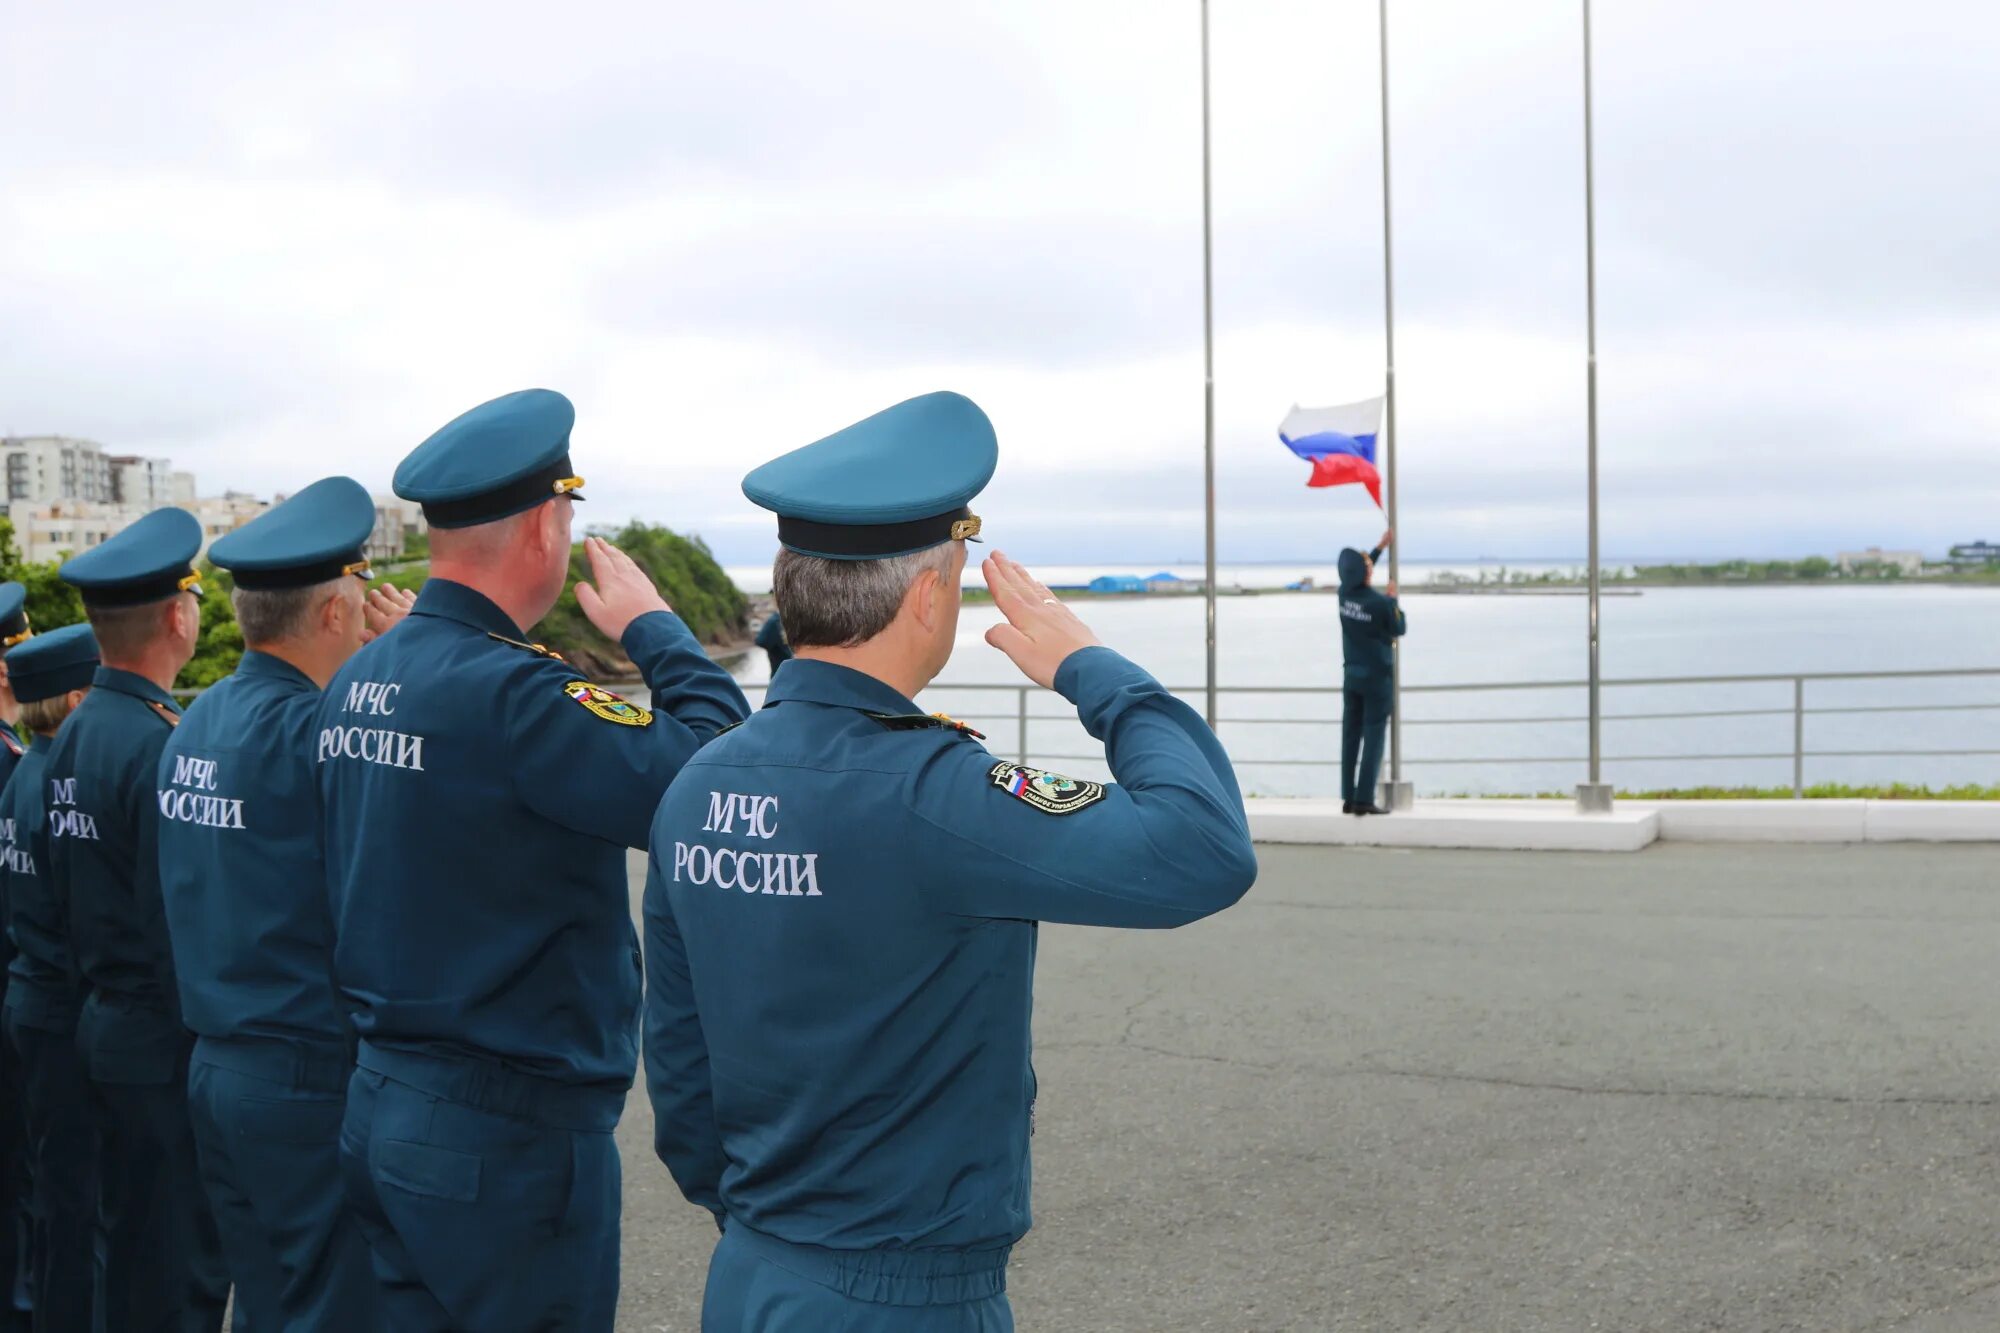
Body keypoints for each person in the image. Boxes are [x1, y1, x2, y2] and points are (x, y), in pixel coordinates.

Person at [642, 390, 1259, 1332]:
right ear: (929, 594)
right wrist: (1094, 670)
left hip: (755, 1274)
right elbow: (1203, 846)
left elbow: (681, 1075)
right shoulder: (932, 790)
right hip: (901, 1297)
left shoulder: (697, 782)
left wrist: (771, 1227)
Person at [317, 388, 750, 1332]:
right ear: (548, 525)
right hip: (502, 1135)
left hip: (383, 1098)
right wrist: (657, 630)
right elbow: (715, 780)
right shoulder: (518, 695)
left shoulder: (358, 677)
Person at [157, 477, 414, 1331]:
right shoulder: (314, 733)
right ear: (337, 613)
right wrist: (411, 656)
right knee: (334, 1304)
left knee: (265, 1300)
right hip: (303, 1072)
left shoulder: (194, 722)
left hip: (217, 1061)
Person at [43, 507, 230, 1330]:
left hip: (101, 1021)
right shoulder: (159, 744)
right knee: (178, 1270)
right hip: (159, 1043)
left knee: (128, 1252)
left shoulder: (80, 728)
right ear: (179, 614)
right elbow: (174, 922)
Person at [0, 624, 99, 1333]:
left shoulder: (24, 772)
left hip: (29, 994)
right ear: (72, 698)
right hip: (60, 1007)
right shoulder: (48, 783)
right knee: (65, 1193)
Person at [1338, 528, 1404, 816]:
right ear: (1366, 573)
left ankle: (1349, 796)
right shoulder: (1379, 604)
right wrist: (1393, 601)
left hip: (1352, 676)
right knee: (1374, 738)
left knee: (1351, 736)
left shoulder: (1344, 595)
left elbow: (1359, 573)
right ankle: (1365, 799)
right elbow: (1398, 628)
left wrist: (1379, 548)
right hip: (1377, 679)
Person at [754, 610, 791, 674]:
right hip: (780, 671)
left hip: (791, 669)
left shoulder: (790, 620)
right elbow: (760, 641)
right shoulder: (774, 621)